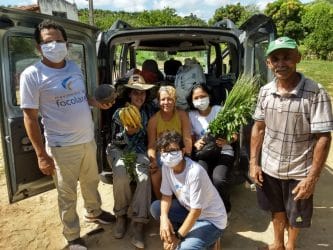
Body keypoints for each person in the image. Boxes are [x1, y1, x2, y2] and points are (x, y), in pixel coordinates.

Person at [20, 20, 115, 250]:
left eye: (58, 40)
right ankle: (72, 236)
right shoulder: (31, 75)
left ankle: (93, 212)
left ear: (66, 42)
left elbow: (81, 97)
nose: (54, 45)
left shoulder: (73, 67)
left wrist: (96, 104)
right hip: (61, 147)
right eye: (47, 41)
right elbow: (30, 118)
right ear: (38, 47)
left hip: (86, 140)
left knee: (91, 183)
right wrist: (41, 154)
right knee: (67, 194)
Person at [250, 36, 333, 250]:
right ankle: (278, 243)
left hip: (299, 170)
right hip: (270, 167)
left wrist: (312, 177)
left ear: (298, 58)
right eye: (275, 58)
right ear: (268, 63)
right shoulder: (265, 91)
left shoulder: (315, 92)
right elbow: (258, 127)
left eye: (286, 57)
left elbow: (323, 136)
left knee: (296, 214)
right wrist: (253, 162)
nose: (280, 63)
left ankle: (291, 245)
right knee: (276, 209)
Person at [150, 130, 227, 250]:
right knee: (156, 208)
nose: (168, 155)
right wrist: (163, 218)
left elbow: (196, 211)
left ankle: (210, 238)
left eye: (173, 150)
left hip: (211, 220)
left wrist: (177, 237)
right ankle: (192, 234)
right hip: (188, 210)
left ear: (183, 151)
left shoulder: (195, 172)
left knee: (182, 249)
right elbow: (166, 195)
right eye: (164, 152)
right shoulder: (166, 167)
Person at [106, 74, 156, 248]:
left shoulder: (150, 110)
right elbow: (114, 139)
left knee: (143, 178)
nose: (139, 96)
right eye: (135, 93)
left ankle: (139, 222)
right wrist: (127, 133)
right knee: (121, 175)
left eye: (142, 93)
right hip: (119, 149)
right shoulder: (120, 113)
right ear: (129, 95)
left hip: (140, 150)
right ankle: (121, 215)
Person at [187, 83, 236, 214]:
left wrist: (227, 140)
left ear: (209, 96)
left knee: (219, 180)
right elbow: (190, 137)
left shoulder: (219, 110)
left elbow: (234, 135)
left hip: (223, 152)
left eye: (203, 96)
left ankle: (225, 209)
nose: (200, 100)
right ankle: (206, 209)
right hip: (204, 154)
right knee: (201, 177)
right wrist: (195, 143)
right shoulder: (191, 115)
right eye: (196, 98)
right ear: (191, 101)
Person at [147, 86, 192, 199]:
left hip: (179, 152)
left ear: (175, 100)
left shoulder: (182, 115)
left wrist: (184, 153)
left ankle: (183, 201)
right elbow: (151, 145)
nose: (166, 102)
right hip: (162, 154)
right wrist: (152, 161)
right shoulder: (153, 120)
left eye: (170, 99)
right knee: (156, 175)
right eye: (163, 99)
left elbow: (187, 138)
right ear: (158, 101)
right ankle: (162, 203)